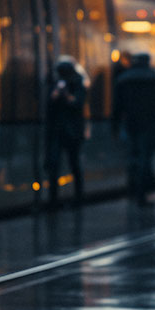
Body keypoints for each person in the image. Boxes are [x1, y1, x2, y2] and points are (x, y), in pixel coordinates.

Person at [113, 53, 155, 204]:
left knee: (134, 156)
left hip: (131, 124)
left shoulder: (123, 80)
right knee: (145, 158)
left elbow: (117, 108)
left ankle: (134, 190)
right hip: (152, 124)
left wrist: (115, 126)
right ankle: (142, 192)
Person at [45, 56, 87, 206]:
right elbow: (49, 104)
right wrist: (56, 93)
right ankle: (53, 199)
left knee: (74, 164)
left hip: (72, 131)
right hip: (59, 130)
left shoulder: (77, 84)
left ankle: (78, 198)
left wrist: (67, 95)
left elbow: (77, 103)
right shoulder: (56, 84)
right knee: (55, 165)